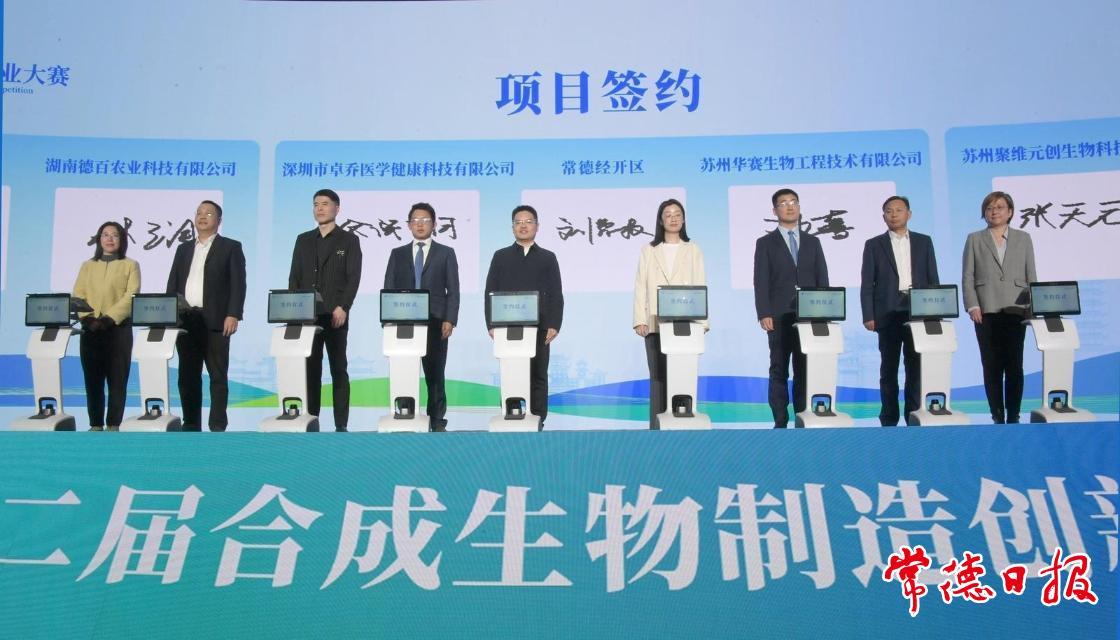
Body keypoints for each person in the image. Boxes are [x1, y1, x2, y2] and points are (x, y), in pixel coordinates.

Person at [166, 200, 247, 432]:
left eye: (209, 213)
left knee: (217, 376)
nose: (202, 217)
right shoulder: (183, 249)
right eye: (199, 213)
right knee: (187, 376)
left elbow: (238, 284)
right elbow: (173, 283)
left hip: (216, 321)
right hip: (186, 321)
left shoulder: (230, 247)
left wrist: (233, 314)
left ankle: (217, 425)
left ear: (218, 221)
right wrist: (168, 314)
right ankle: (191, 423)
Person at [860, 195, 940, 426]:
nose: (893, 214)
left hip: (917, 312)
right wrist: (868, 315)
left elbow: (933, 279)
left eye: (898, 210)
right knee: (889, 369)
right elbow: (867, 283)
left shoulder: (924, 242)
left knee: (915, 367)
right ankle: (889, 417)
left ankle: (913, 414)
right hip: (887, 313)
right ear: (883, 216)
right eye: (888, 211)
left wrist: (934, 311)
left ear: (909, 214)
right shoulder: (874, 244)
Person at [753, 188, 829, 428]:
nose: (789, 206)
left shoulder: (813, 242)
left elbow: (822, 278)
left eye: (793, 202)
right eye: (783, 203)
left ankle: (802, 415)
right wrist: (764, 312)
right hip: (778, 315)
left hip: (808, 316)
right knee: (779, 368)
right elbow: (761, 281)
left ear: (799, 206)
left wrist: (823, 312)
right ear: (775, 210)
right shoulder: (765, 243)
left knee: (804, 368)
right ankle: (780, 419)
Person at [288, 189, 362, 431]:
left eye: (325, 204)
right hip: (308, 316)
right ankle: (312, 421)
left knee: (338, 369)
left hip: (335, 315)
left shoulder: (349, 240)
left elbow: (353, 277)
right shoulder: (303, 239)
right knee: (310, 371)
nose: (319, 208)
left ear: (336, 208)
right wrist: (294, 311)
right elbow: (294, 277)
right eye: (316, 204)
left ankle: (341, 425)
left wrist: (344, 306)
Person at [484, 205, 563, 430]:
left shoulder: (548, 257)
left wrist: (554, 324)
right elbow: (490, 291)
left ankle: (538, 418)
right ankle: (510, 415)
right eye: (518, 222)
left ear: (537, 226)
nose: (523, 226)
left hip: (539, 326)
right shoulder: (501, 256)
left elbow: (556, 293)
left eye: (528, 222)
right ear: (512, 228)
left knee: (538, 373)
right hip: (506, 326)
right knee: (510, 372)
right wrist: (491, 323)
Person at [383, 202, 460, 432]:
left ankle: (436, 420)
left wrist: (450, 319)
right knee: (404, 370)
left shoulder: (445, 253)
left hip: (435, 321)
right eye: (415, 220)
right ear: (408, 225)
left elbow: (453, 290)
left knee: (435, 373)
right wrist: (388, 320)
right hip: (403, 322)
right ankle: (405, 414)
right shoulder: (397, 254)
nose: (420, 224)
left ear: (434, 224)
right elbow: (389, 287)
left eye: (425, 220)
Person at [962, 190, 1037, 424]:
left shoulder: (1023, 238)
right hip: (986, 309)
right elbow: (968, 276)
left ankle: (1014, 414)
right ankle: (997, 413)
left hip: (1017, 307)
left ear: (1010, 212)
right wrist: (972, 305)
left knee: (1014, 365)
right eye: (989, 208)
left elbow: (1031, 274)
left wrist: (1032, 308)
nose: (994, 211)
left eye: (999, 207)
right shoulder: (974, 238)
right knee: (991, 365)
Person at [633, 198, 706, 430]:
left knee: (683, 375)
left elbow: (701, 283)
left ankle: (682, 426)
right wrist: (640, 319)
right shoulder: (649, 250)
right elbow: (640, 286)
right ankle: (656, 428)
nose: (673, 218)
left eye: (677, 214)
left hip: (687, 323)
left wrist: (703, 322)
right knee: (658, 376)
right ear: (661, 220)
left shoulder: (693, 249)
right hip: (655, 322)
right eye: (668, 214)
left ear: (683, 220)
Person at [72, 221, 140, 431]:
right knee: (92, 381)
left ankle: (113, 425)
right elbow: (78, 294)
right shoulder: (87, 265)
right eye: (105, 234)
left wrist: (109, 318)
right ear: (99, 239)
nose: (110, 239)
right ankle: (95, 425)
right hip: (91, 330)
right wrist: (88, 319)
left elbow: (131, 295)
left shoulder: (130, 265)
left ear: (122, 240)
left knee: (117, 381)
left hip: (117, 330)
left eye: (115, 235)